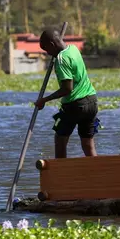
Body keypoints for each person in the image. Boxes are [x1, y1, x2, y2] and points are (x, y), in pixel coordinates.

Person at [35, 28, 99, 158]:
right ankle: (96, 172)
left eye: (47, 50)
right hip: (92, 102)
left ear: (52, 45)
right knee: (88, 143)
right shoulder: (73, 49)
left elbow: (67, 89)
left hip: (75, 106)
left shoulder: (61, 59)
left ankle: (61, 173)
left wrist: (44, 100)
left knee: (60, 140)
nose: (48, 54)